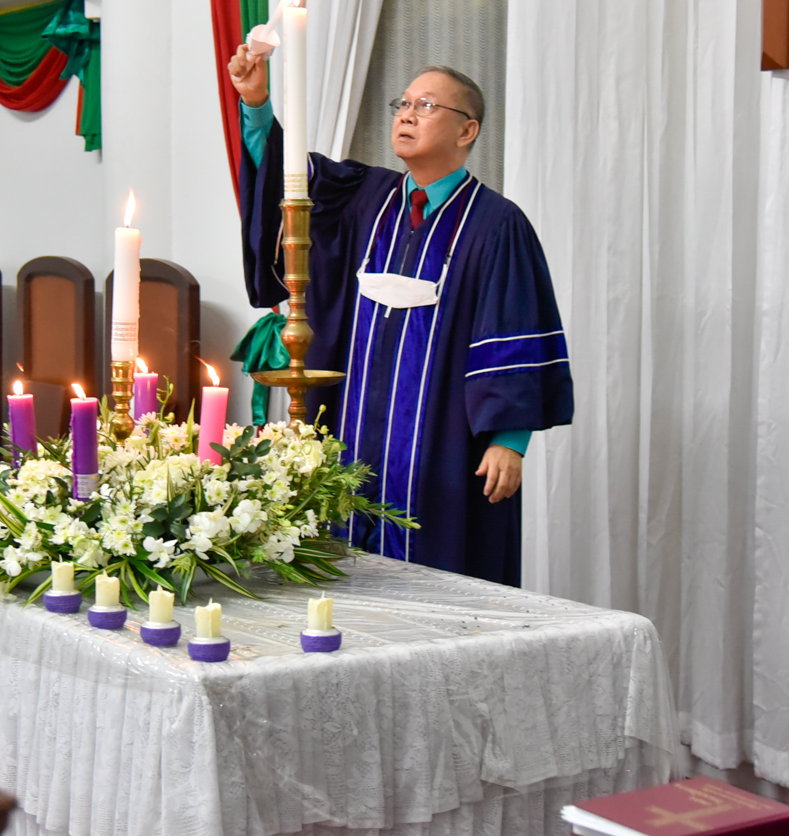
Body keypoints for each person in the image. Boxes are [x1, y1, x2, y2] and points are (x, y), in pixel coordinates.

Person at [229, 47, 574, 585]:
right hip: (350, 432)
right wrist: (256, 104)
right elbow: (288, 180)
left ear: (467, 131)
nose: (407, 115)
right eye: (404, 104)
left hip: (445, 449)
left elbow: (513, 332)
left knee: (447, 584)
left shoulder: (496, 225)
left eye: (427, 105)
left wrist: (510, 440)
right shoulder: (363, 200)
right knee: (342, 577)